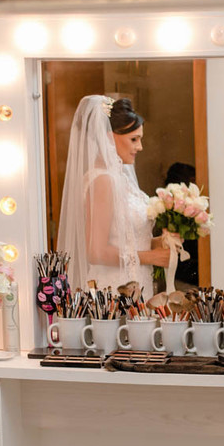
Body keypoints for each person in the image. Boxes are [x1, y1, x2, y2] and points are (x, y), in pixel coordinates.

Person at [56, 96, 169, 299]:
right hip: (114, 290)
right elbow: (96, 252)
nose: (140, 147)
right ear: (109, 138)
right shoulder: (103, 180)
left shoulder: (121, 177)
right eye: (134, 139)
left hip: (136, 283)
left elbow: (128, 240)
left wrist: (161, 242)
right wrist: (150, 257)